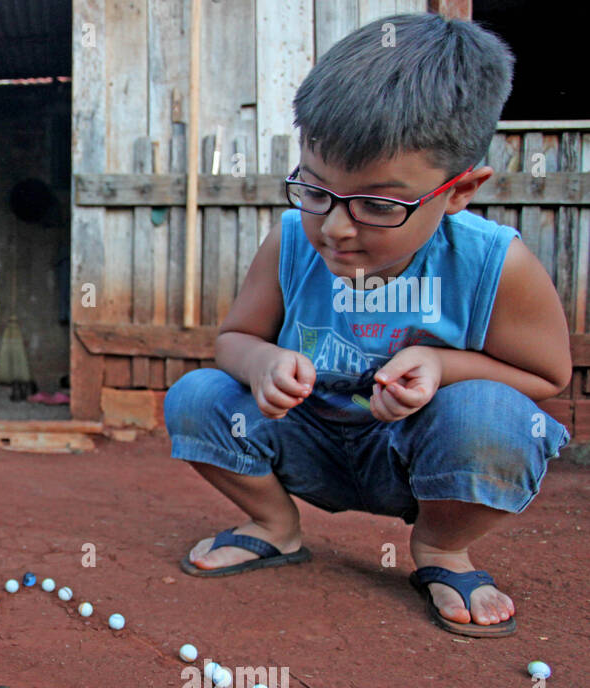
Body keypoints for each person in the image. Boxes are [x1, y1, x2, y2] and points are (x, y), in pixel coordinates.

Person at [163, 13, 571, 637]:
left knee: (495, 417)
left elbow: (546, 376)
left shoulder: (496, 262)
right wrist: (262, 363)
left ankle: (442, 549)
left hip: (416, 460)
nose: (335, 228)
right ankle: (275, 525)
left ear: (460, 191)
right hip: (306, 441)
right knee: (196, 398)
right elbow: (233, 341)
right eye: (316, 190)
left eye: (379, 204)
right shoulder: (290, 245)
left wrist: (443, 365)